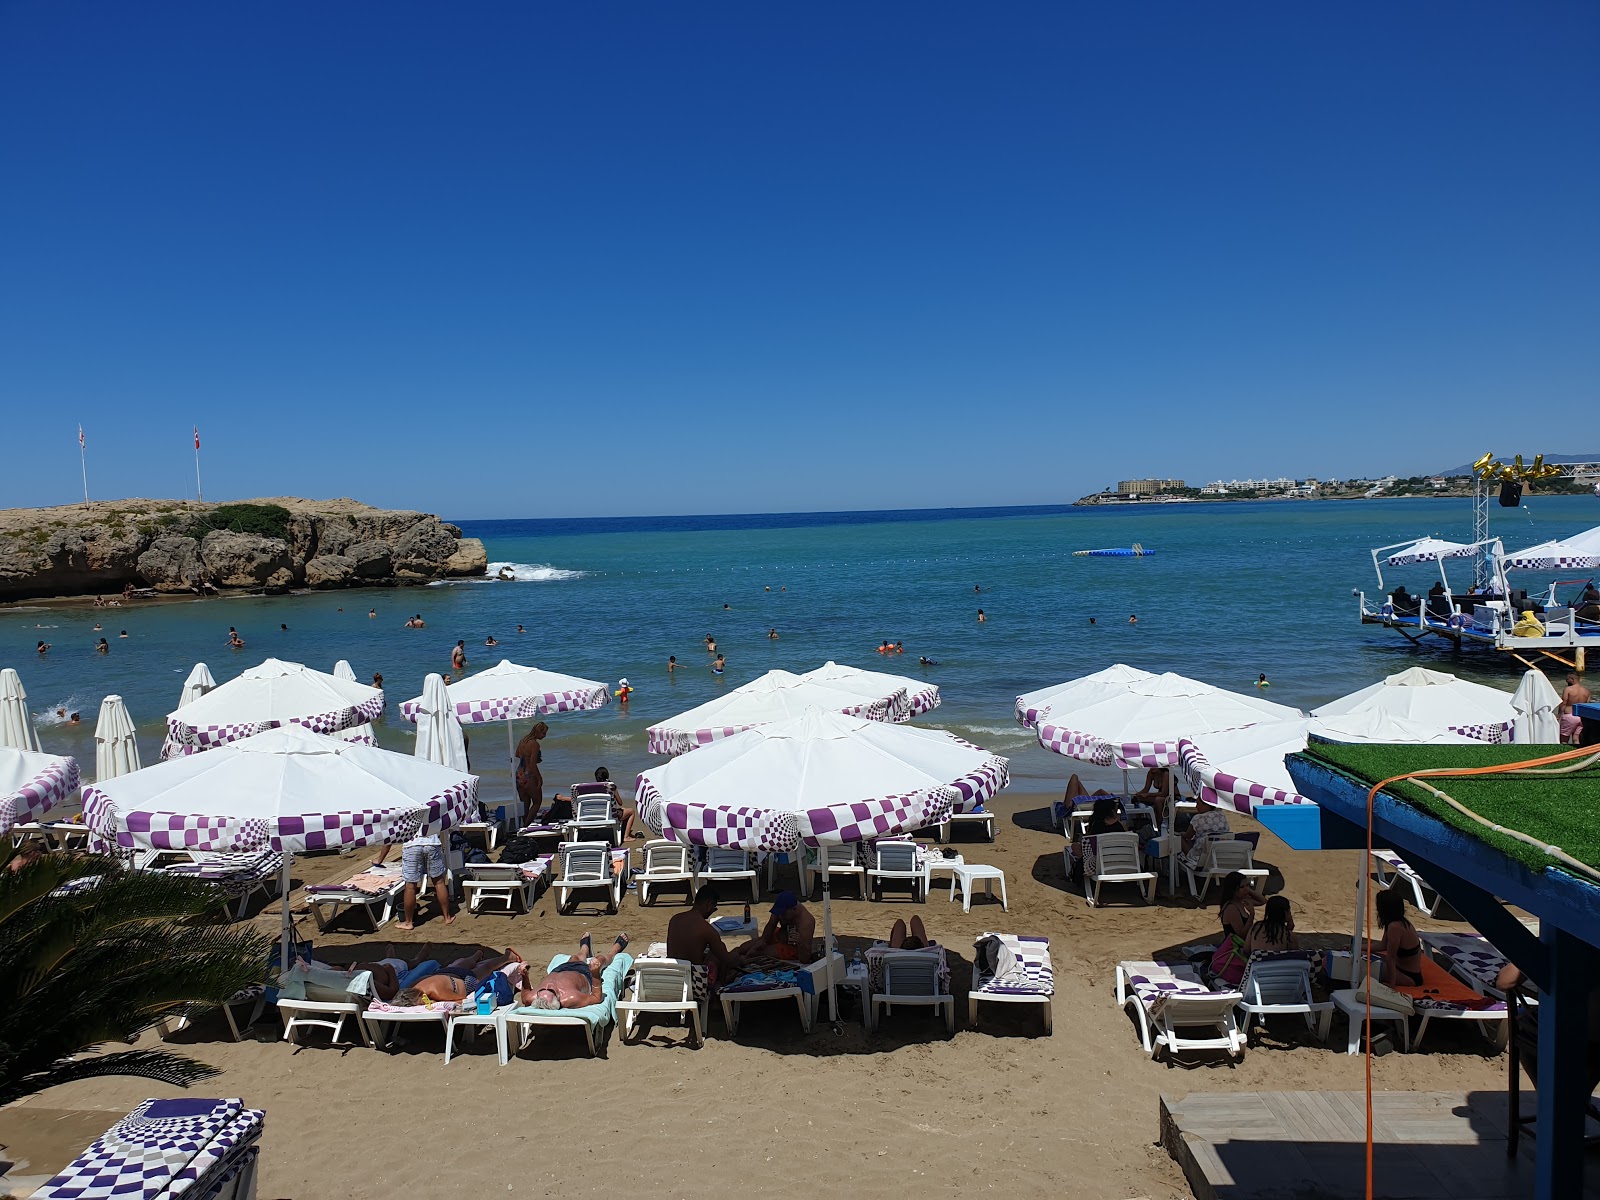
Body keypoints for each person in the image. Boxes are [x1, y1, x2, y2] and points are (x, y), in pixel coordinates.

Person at [667, 884, 755, 987]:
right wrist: (740, 960)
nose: (712, 911)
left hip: (672, 977)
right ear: (709, 904)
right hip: (693, 984)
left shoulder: (675, 919)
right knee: (717, 953)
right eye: (714, 908)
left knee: (711, 952)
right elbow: (726, 959)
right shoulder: (706, 929)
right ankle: (719, 987)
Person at [522, 933, 631, 1009]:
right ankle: (614, 951)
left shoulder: (532, 997)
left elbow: (524, 995)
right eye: (551, 990)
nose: (548, 985)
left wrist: (524, 976)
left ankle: (584, 950)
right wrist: (595, 973)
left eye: (542, 989)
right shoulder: (571, 997)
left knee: (575, 957)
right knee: (600, 960)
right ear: (558, 998)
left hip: (560, 969)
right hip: (583, 973)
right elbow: (596, 997)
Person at [391, 948, 526, 1006]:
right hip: (446, 972)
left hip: (465, 982)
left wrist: (437, 1003)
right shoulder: (413, 986)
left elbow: (461, 1000)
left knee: (485, 969)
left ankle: (508, 957)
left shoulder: (437, 992)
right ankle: (475, 956)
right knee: (463, 964)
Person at [1208, 871, 1267, 985]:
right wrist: (1252, 915)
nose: (1246, 889)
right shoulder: (1231, 908)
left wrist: (1247, 889)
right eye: (1242, 887)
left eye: (1247, 886)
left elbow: (1262, 900)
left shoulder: (1242, 901)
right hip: (1234, 948)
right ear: (1233, 890)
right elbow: (1241, 934)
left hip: (1243, 944)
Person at [394, 825, 453, 930]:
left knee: (410, 885)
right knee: (439, 882)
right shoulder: (432, 807)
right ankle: (447, 917)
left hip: (412, 844)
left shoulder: (406, 808)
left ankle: (408, 922)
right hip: (432, 842)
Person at [1372, 889, 1425, 986]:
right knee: (1364, 954)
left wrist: (1392, 984)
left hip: (1409, 976)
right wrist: (1357, 947)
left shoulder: (1395, 927)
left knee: (1367, 965)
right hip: (1401, 969)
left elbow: (1391, 957)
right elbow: (1383, 945)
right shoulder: (1397, 922)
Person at [753, 891, 816, 962]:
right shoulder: (781, 909)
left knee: (759, 953)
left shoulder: (806, 922)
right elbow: (771, 925)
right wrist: (763, 940)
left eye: (783, 914)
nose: (780, 916)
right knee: (748, 947)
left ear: (794, 909)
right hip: (781, 936)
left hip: (794, 948)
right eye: (779, 913)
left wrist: (801, 942)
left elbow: (805, 959)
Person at [1179, 794, 1231, 870]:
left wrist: (1181, 834)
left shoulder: (1198, 818)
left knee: (1180, 838)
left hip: (1201, 856)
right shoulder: (1221, 815)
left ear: (1207, 805)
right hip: (1219, 851)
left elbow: (1188, 836)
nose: (1196, 806)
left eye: (1198, 804)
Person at [514, 721, 548, 813]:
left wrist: (525, 757)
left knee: (525, 803)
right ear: (537, 732)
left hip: (519, 774)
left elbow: (517, 754)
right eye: (543, 733)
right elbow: (533, 764)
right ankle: (526, 825)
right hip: (529, 775)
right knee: (537, 802)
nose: (545, 736)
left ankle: (523, 825)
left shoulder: (523, 740)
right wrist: (539, 778)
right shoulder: (535, 744)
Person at [1560, 672, 1592, 744]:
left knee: (1564, 739)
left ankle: (1565, 754)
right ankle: (1578, 752)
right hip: (1581, 717)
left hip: (1569, 715)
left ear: (1572, 679)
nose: (1566, 681)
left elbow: (1564, 703)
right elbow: (1587, 704)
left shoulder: (1568, 689)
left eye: (1567, 679)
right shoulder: (1586, 691)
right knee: (1576, 738)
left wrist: (1559, 715)